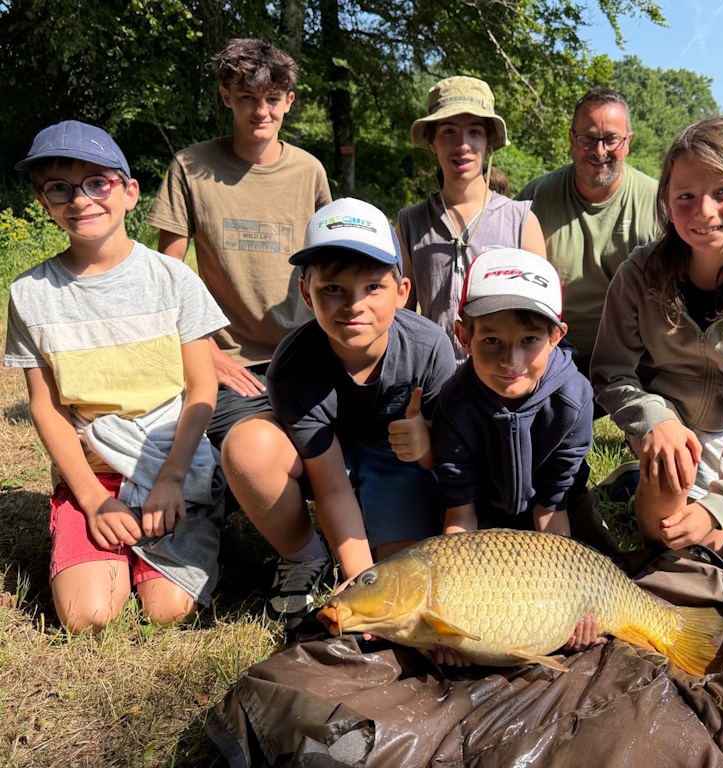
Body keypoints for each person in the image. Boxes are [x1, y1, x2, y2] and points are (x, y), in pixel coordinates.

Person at [5, 121, 229, 633]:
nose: (80, 200)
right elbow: (46, 406)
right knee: (89, 616)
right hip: (95, 468)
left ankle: (197, 521)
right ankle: (91, 534)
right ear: (44, 202)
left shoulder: (173, 279)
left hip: (170, 462)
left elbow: (201, 387)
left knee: (167, 610)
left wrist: (172, 479)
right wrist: (92, 498)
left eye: (96, 182)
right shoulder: (29, 294)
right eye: (59, 188)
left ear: (129, 192)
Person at [220, 198, 457, 623]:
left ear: (402, 292)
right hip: (327, 463)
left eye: (372, 287)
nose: (354, 305)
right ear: (306, 294)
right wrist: (359, 578)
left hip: (401, 463)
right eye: (333, 289)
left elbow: (457, 464)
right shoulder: (291, 368)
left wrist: (426, 449)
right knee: (247, 445)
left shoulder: (429, 348)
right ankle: (304, 556)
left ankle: (372, 533)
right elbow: (330, 487)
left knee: (400, 578)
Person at [590, 117, 723, 553]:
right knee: (664, 537)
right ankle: (648, 475)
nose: (703, 212)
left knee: (704, 543)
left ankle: (646, 482)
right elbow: (609, 372)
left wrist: (718, 505)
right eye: (685, 196)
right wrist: (656, 420)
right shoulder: (637, 275)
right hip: (659, 417)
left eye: (722, 192)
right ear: (667, 201)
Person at [147, 38, 332, 447]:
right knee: (251, 449)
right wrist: (204, 354)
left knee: (325, 446)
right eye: (248, 97)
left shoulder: (310, 172)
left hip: (306, 350)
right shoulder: (190, 167)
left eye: (272, 98)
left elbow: (330, 266)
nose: (261, 111)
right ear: (225, 97)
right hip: (227, 358)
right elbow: (166, 275)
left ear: (289, 101)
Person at [431, 248, 603, 660]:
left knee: (600, 580)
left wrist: (565, 606)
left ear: (557, 335)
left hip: (556, 508)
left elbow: (552, 507)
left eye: (530, 340)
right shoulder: (453, 403)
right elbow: (460, 518)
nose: (512, 361)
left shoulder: (574, 398)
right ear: (463, 336)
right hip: (483, 511)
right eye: (491, 340)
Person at [398, 76, 547, 363]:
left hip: (501, 379)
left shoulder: (521, 221)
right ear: (432, 141)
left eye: (475, 132)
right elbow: (401, 315)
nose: (462, 144)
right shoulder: (410, 223)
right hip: (433, 380)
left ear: (489, 141)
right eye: (449, 132)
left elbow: (539, 313)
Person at [516, 88, 660, 374]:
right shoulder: (537, 197)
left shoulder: (657, 202)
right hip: (551, 354)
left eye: (611, 140)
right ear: (571, 140)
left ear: (628, 142)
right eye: (588, 139)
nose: (599, 151)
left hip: (635, 357)